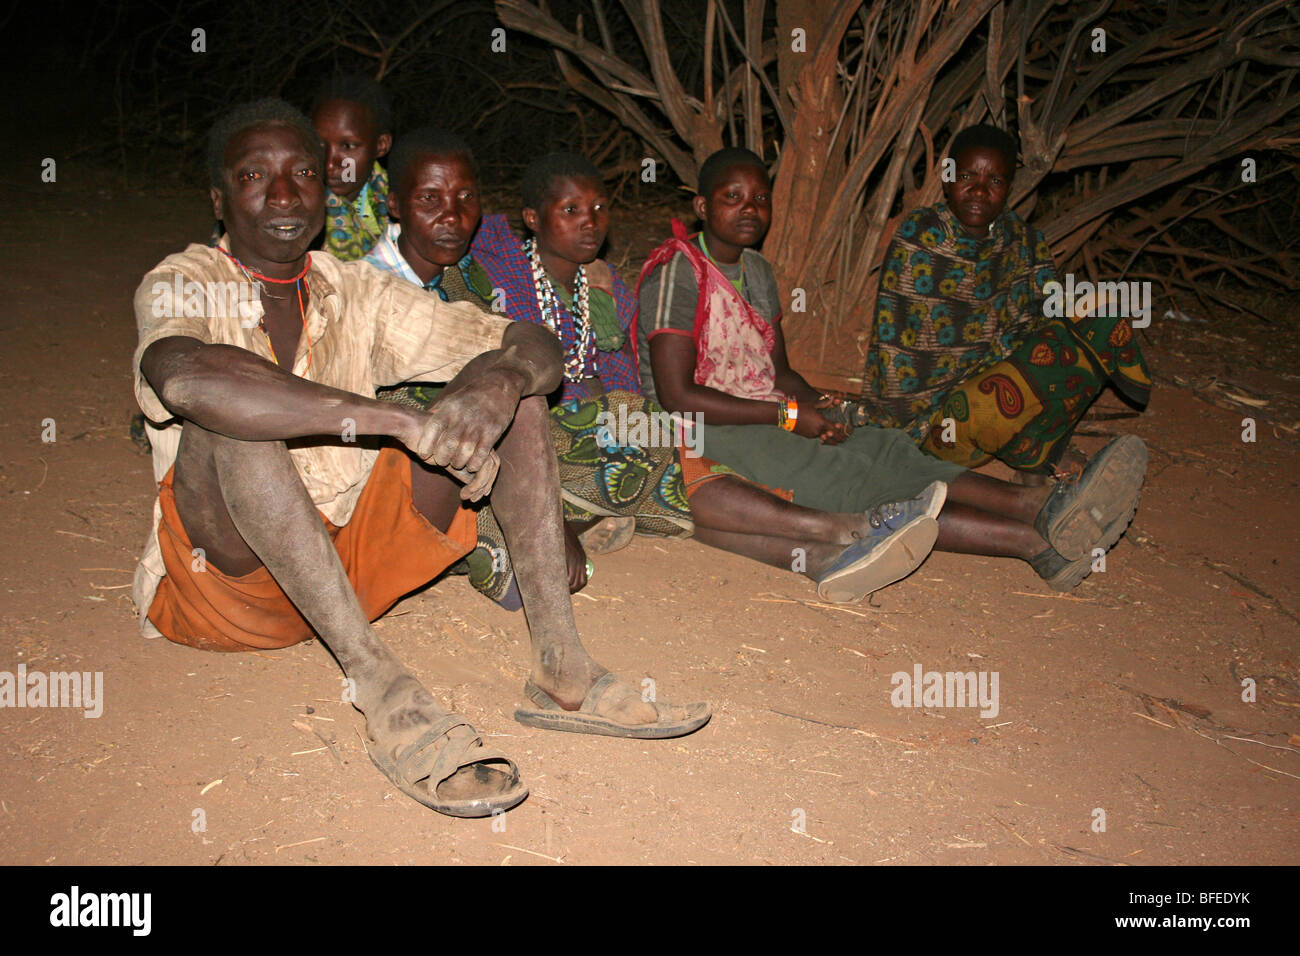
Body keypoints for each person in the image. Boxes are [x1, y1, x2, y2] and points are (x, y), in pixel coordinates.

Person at [130, 99, 713, 820]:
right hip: (226, 589)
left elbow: (530, 340)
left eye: (302, 174)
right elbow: (186, 379)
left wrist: (496, 382)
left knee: (518, 397)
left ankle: (563, 667)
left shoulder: (355, 289)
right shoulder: (181, 280)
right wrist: (392, 418)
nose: (283, 195)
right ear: (220, 200)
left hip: (350, 570)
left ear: (327, 187)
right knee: (227, 424)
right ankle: (383, 691)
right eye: (255, 175)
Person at [370, 137, 948, 605]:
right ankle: (837, 528)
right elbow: (483, 236)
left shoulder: (594, 290)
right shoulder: (487, 265)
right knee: (665, 452)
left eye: (598, 209)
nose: (589, 223)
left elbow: (624, 376)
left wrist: (620, 413)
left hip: (584, 436)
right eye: (570, 211)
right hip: (521, 445)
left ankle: (824, 553)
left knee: (659, 452)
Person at [638, 147, 1149, 592]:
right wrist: (792, 417)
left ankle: (1038, 504)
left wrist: (825, 406)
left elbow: (780, 373)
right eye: (733, 197)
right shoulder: (678, 270)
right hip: (700, 429)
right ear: (702, 206)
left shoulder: (758, 271)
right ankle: (1038, 542)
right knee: (853, 478)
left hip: (763, 411)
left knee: (883, 445)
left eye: (760, 199)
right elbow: (678, 395)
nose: (750, 209)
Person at [844, 124, 1150, 476]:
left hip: (1002, 385)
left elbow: (1045, 313)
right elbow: (897, 360)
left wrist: (1089, 316)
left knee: (1096, 310)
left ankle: (1036, 448)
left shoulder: (1022, 239)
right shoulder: (922, 236)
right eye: (967, 176)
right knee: (997, 395)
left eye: (995, 181)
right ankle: (1025, 449)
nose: (978, 190)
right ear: (947, 179)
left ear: (1008, 189)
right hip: (933, 429)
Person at [310, 74, 393, 261]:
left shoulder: (402, 203)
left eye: (347, 146)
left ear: (381, 145)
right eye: (320, 145)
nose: (330, 162)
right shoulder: (297, 208)